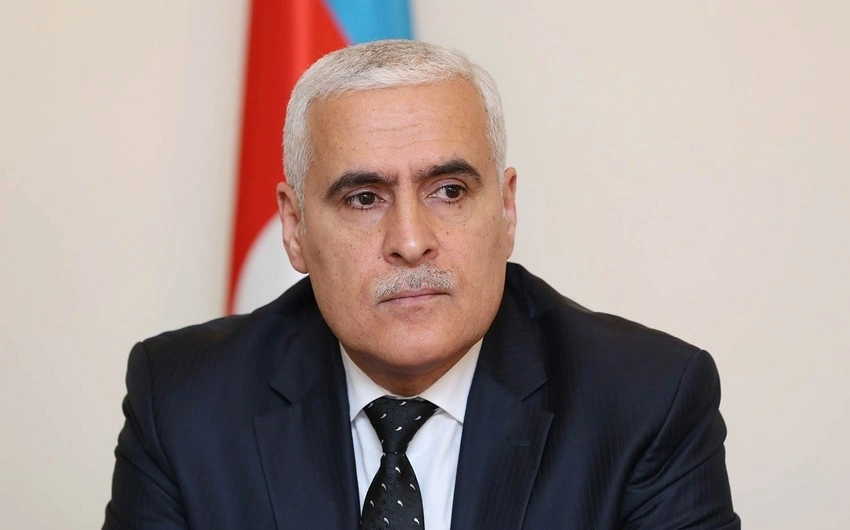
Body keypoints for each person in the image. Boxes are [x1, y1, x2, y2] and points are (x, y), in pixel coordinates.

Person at [103, 39, 740, 529]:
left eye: (449, 191)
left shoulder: (646, 401)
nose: (410, 241)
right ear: (294, 229)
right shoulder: (183, 402)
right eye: (363, 198)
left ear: (506, 211)